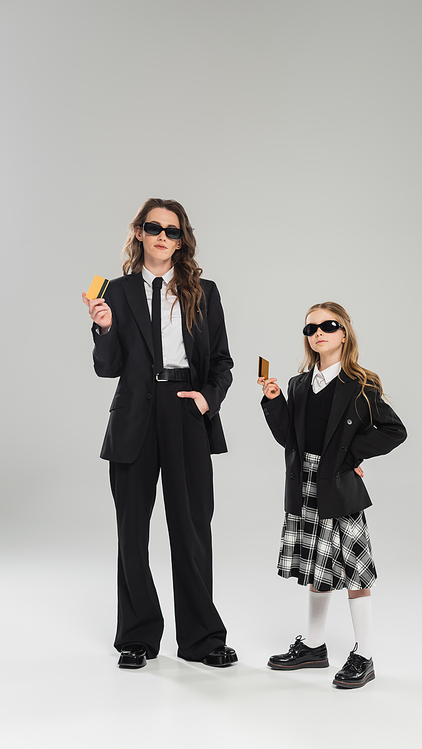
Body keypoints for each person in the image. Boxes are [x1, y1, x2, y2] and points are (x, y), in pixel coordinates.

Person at [82, 198, 237, 669]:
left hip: (185, 411)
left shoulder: (203, 292)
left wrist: (207, 397)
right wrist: (103, 329)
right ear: (140, 233)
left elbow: (223, 362)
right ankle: (136, 637)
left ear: (181, 239)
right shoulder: (116, 291)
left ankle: (202, 639)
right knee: (132, 531)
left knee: (191, 528)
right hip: (133, 417)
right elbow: (106, 369)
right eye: (154, 228)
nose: (162, 237)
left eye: (172, 231)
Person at [258, 302, 406, 688]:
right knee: (317, 567)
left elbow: (394, 431)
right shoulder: (298, 384)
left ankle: (365, 654)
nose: (318, 333)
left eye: (328, 325)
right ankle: (314, 646)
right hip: (304, 483)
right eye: (311, 329)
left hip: (338, 486)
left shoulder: (361, 384)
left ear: (344, 333)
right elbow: (289, 441)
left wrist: (351, 455)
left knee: (356, 570)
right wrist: (274, 401)